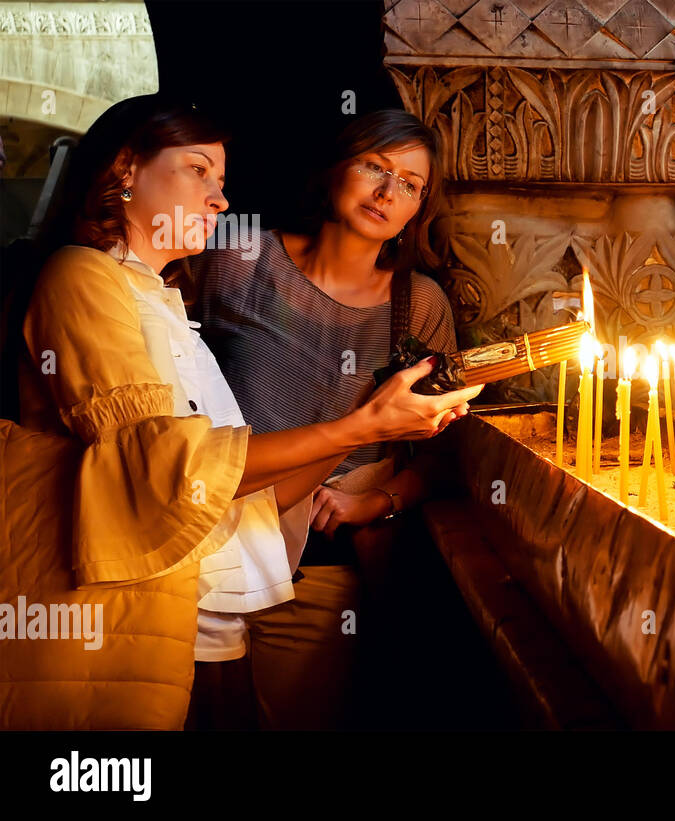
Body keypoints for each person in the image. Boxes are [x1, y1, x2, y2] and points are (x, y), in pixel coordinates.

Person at [2, 94, 479, 730]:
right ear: (124, 170)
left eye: (221, 181)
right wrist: (361, 426)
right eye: (198, 170)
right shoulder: (87, 278)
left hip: (211, 617)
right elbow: (168, 470)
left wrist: (371, 429)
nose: (220, 200)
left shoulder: (165, 302)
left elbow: (238, 495)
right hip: (136, 618)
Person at [190, 109, 464, 728]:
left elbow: (447, 451)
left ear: (419, 208)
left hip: (318, 574)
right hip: (202, 555)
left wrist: (380, 503)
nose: (388, 193)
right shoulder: (241, 258)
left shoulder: (416, 304)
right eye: (375, 166)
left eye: (411, 185)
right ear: (337, 166)